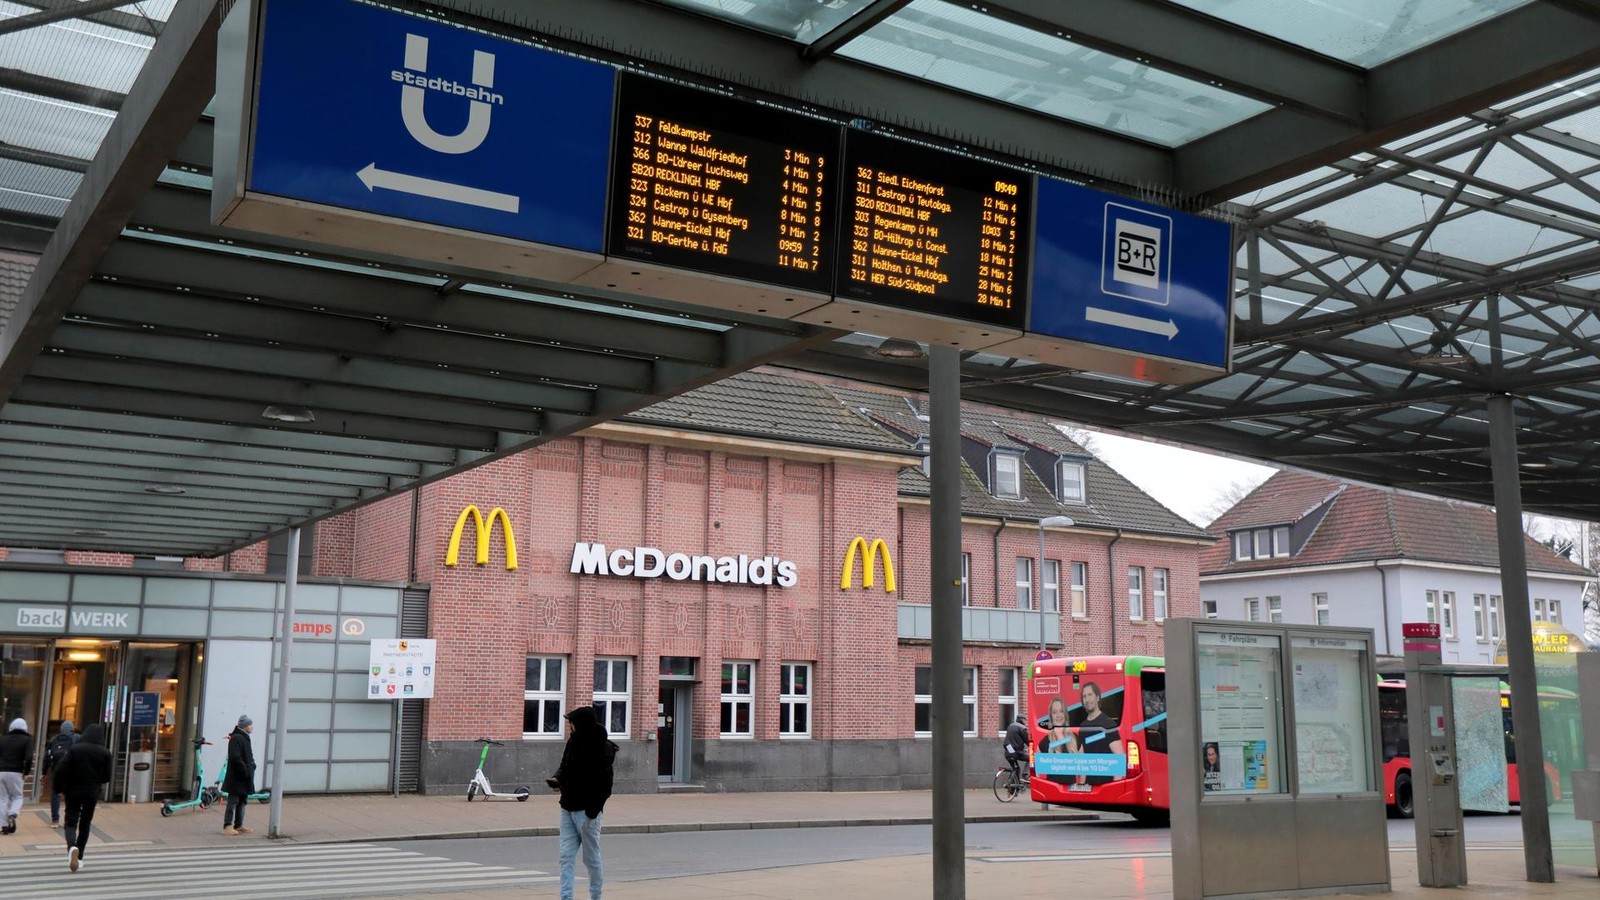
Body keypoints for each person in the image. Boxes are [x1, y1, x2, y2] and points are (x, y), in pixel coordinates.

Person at [547, 706, 618, 900]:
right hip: (567, 807)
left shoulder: (600, 747)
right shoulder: (572, 742)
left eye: (571, 722)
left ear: (580, 724)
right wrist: (557, 779)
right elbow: (564, 766)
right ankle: (566, 897)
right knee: (565, 857)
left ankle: (596, 896)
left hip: (587, 812)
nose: (569, 726)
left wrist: (593, 811)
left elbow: (606, 784)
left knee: (591, 859)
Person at [54, 723, 111, 872]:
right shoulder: (105, 753)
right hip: (92, 792)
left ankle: (72, 846)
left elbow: (61, 768)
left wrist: (58, 788)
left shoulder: (75, 749)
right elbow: (107, 777)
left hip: (73, 790)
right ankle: (79, 857)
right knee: (85, 824)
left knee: (71, 822)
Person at [222, 715, 257, 836]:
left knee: (242, 801)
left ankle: (239, 825)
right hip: (237, 776)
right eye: (250, 725)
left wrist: (252, 766)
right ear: (245, 726)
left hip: (244, 776)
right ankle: (227, 825)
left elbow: (248, 756)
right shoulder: (237, 738)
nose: (252, 727)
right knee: (233, 801)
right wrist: (246, 769)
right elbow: (235, 757)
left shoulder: (244, 738)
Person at [44, 720, 78, 828]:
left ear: (61, 729)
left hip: (57, 770)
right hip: (72, 771)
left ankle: (55, 820)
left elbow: (47, 757)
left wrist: (44, 772)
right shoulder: (77, 738)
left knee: (56, 794)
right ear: (72, 729)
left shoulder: (54, 739)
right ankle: (69, 819)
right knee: (71, 795)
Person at [0, 717, 31, 835]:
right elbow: (28, 758)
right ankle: (12, 814)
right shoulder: (27, 739)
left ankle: (4, 826)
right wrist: (26, 772)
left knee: (2, 799)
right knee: (17, 796)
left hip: (1, 771)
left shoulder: (3, 739)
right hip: (16, 771)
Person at [1002, 714, 1029, 781]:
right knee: (1032, 758)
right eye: (1024, 720)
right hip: (1016, 752)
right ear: (1022, 720)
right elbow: (1028, 741)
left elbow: (1013, 740)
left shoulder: (1010, 726)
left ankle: (1012, 788)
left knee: (1015, 769)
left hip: (1008, 752)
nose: (1025, 722)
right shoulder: (1022, 728)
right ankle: (1026, 775)